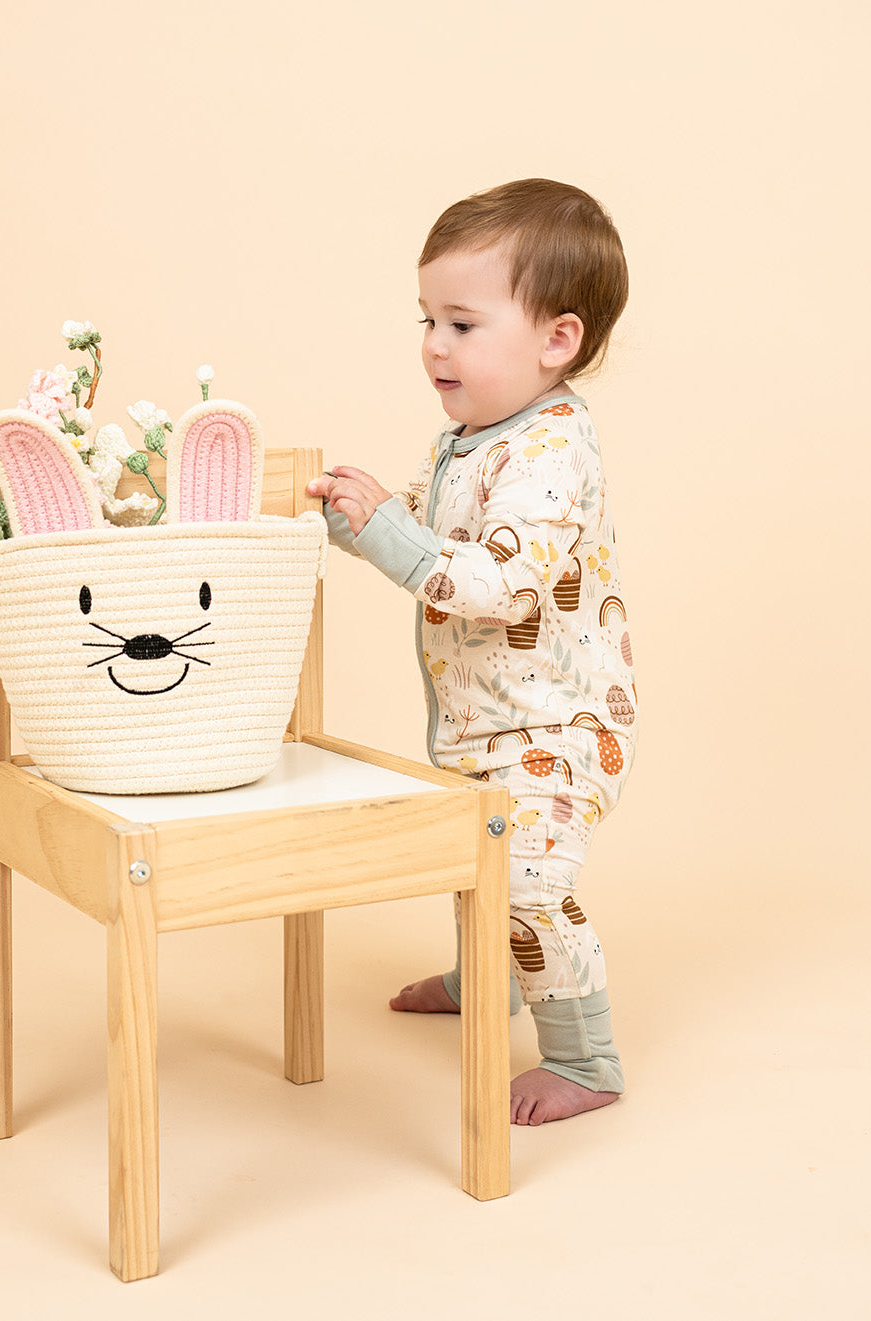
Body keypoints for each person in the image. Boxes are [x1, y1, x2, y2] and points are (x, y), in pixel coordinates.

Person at [307, 179, 637, 1126]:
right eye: (426, 319)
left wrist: (387, 536)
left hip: (559, 724)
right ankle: (484, 973)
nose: (433, 345)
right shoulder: (473, 437)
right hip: (485, 717)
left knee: (527, 874)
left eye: (460, 323)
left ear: (555, 339)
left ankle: (585, 1056)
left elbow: (499, 585)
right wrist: (355, 520)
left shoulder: (549, 450)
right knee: (474, 843)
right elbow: (423, 535)